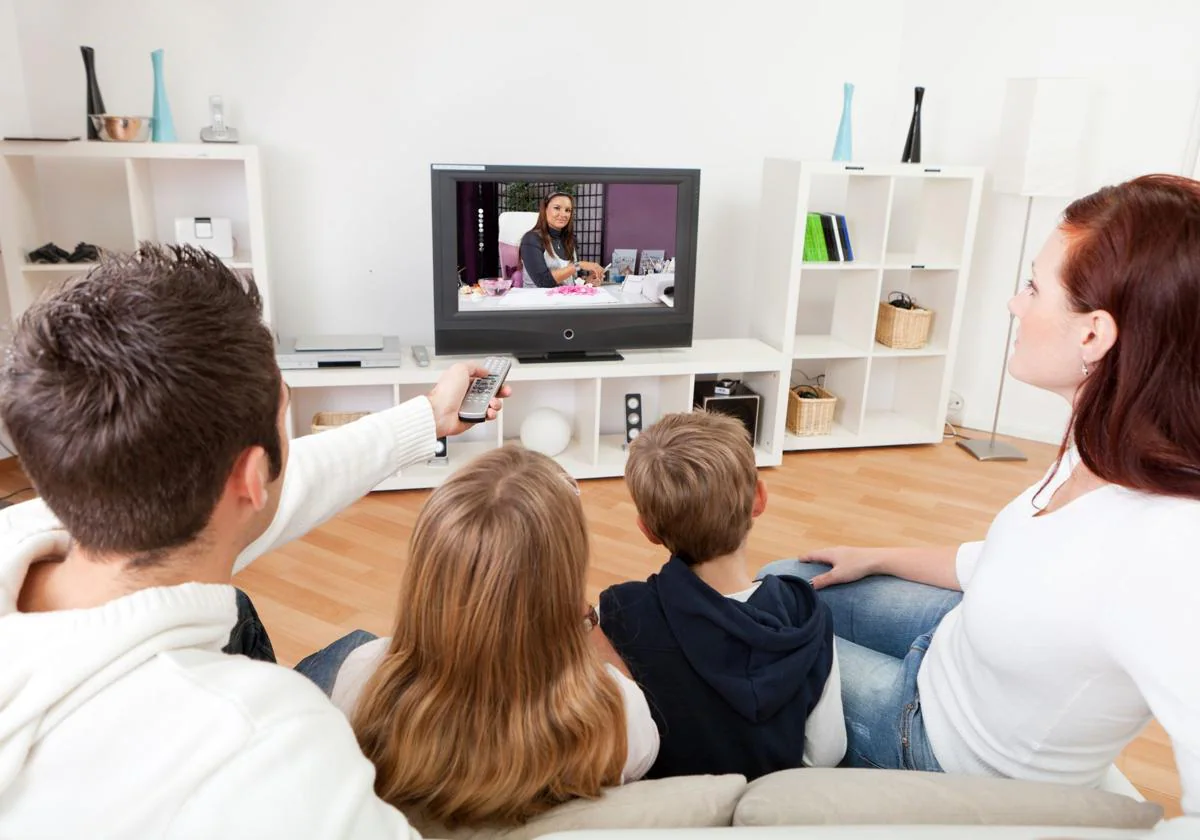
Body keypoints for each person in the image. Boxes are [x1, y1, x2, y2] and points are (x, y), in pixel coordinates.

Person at [0, 245, 509, 837]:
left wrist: (427, 416)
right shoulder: (272, 747)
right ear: (247, 478)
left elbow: (285, 488)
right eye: (284, 413)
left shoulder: (47, 522)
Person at [759, 174, 1200, 815]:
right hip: (951, 645)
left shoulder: (1169, 549)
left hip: (940, 748)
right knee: (785, 581)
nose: (1015, 304)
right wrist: (876, 554)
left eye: (1033, 287)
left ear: (1094, 335)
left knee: (755, 639)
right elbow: (1011, 559)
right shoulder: (1104, 442)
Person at [307, 445, 658, 828]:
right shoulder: (619, 712)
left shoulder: (363, 677)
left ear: (428, 572)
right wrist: (584, 618)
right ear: (563, 580)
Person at [599, 411, 845, 780]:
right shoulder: (805, 614)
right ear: (759, 499)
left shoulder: (621, 611)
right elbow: (827, 753)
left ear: (647, 530)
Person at [519, 191, 605, 288]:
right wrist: (579, 265)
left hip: (566, 300)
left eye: (567, 210)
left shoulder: (571, 239)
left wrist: (587, 282)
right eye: (557, 208)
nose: (563, 214)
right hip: (538, 301)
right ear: (545, 209)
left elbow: (575, 278)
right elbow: (543, 281)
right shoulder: (531, 239)